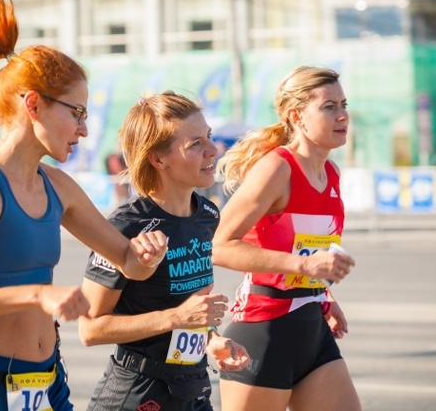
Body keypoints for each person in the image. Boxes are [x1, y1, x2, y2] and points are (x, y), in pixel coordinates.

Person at [0, 0, 167, 411]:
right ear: (33, 104)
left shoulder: (59, 186)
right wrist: (37, 294)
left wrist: (147, 255)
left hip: (46, 385)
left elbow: (127, 262)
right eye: (76, 113)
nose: (84, 130)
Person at [79, 91, 250, 411]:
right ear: (158, 159)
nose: (213, 150)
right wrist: (176, 318)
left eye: (209, 137)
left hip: (193, 387)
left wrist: (211, 340)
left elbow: (187, 309)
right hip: (137, 394)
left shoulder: (207, 216)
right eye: (195, 144)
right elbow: (90, 328)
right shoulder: (127, 226)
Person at [211, 66, 361, 411]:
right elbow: (219, 246)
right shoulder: (277, 169)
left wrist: (323, 293)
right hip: (264, 332)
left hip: (312, 327)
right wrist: (305, 265)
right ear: (297, 116)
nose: (342, 115)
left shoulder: (331, 173)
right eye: (329, 107)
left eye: (343, 104)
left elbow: (305, 247)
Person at [104, 142, 130, 207]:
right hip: (117, 182)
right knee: (117, 201)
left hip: (125, 182)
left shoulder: (125, 156)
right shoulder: (111, 157)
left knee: (127, 199)